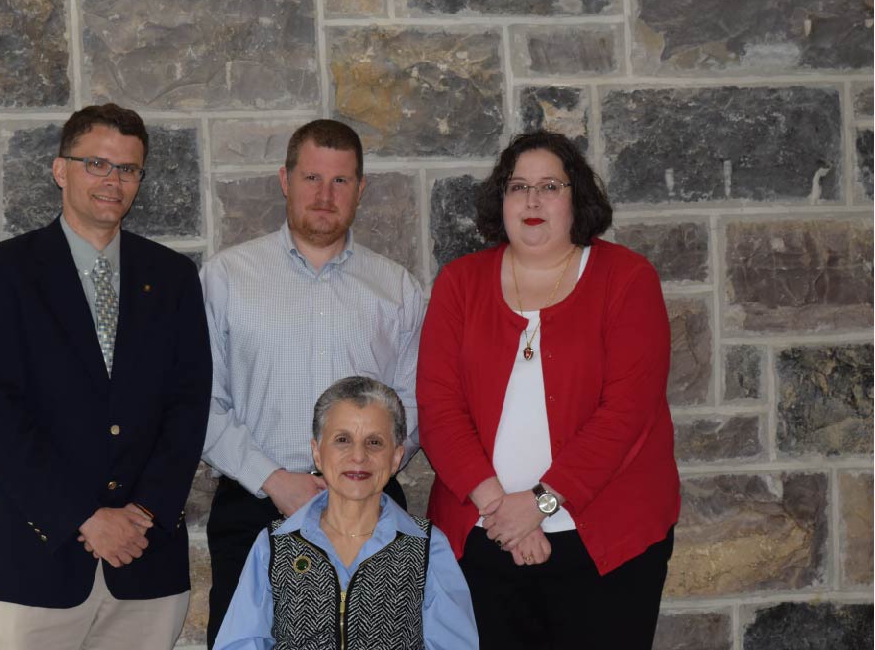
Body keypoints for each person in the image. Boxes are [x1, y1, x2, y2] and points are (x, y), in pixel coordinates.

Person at [0, 103, 212, 650]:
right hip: (37, 561)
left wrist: (142, 513)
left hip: (146, 561)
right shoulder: (0, 274)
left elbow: (189, 406)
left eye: (127, 169)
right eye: (96, 163)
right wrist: (83, 518)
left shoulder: (172, 278)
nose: (112, 181)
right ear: (60, 169)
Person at [417, 131, 680, 649]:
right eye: (518, 187)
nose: (532, 201)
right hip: (482, 539)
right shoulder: (459, 283)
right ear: (502, 201)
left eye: (549, 186)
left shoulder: (627, 278)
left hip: (608, 543)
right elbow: (438, 408)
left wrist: (537, 504)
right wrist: (502, 512)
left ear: (576, 198)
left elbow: (627, 413)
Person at [200, 119, 425, 647]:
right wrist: (277, 481)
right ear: (285, 179)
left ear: (360, 189)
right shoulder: (227, 277)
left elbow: (414, 402)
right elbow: (201, 401)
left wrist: (363, 476)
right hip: (254, 508)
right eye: (311, 178)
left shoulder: (396, 288)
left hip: (371, 512)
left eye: (341, 181)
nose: (325, 195)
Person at [213, 376, 478, 650]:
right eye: (342, 440)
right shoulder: (274, 546)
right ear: (317, 452)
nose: (358, 456)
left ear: (396, 457)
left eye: (374, 442)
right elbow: (239, 643)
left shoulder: (427, 547)